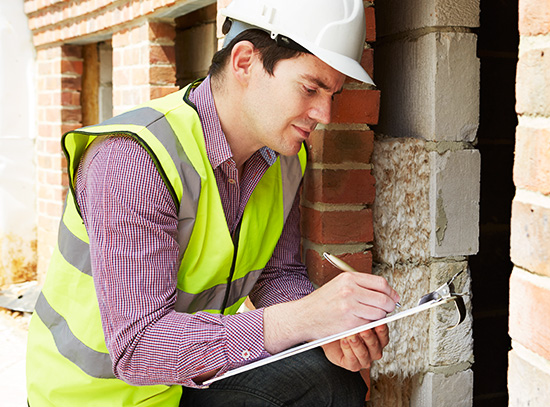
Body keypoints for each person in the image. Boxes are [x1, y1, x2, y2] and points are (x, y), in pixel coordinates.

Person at [25, 0, 400, 405]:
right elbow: (139, 348)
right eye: (310, 88)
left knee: (330, 379)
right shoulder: (132, 160)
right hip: (93, 396)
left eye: (333, 94)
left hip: (183, 382)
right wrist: (303, 318)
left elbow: (277, 276)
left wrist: (326, 327)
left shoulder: (284, 160)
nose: (324, 114)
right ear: (244, 61)